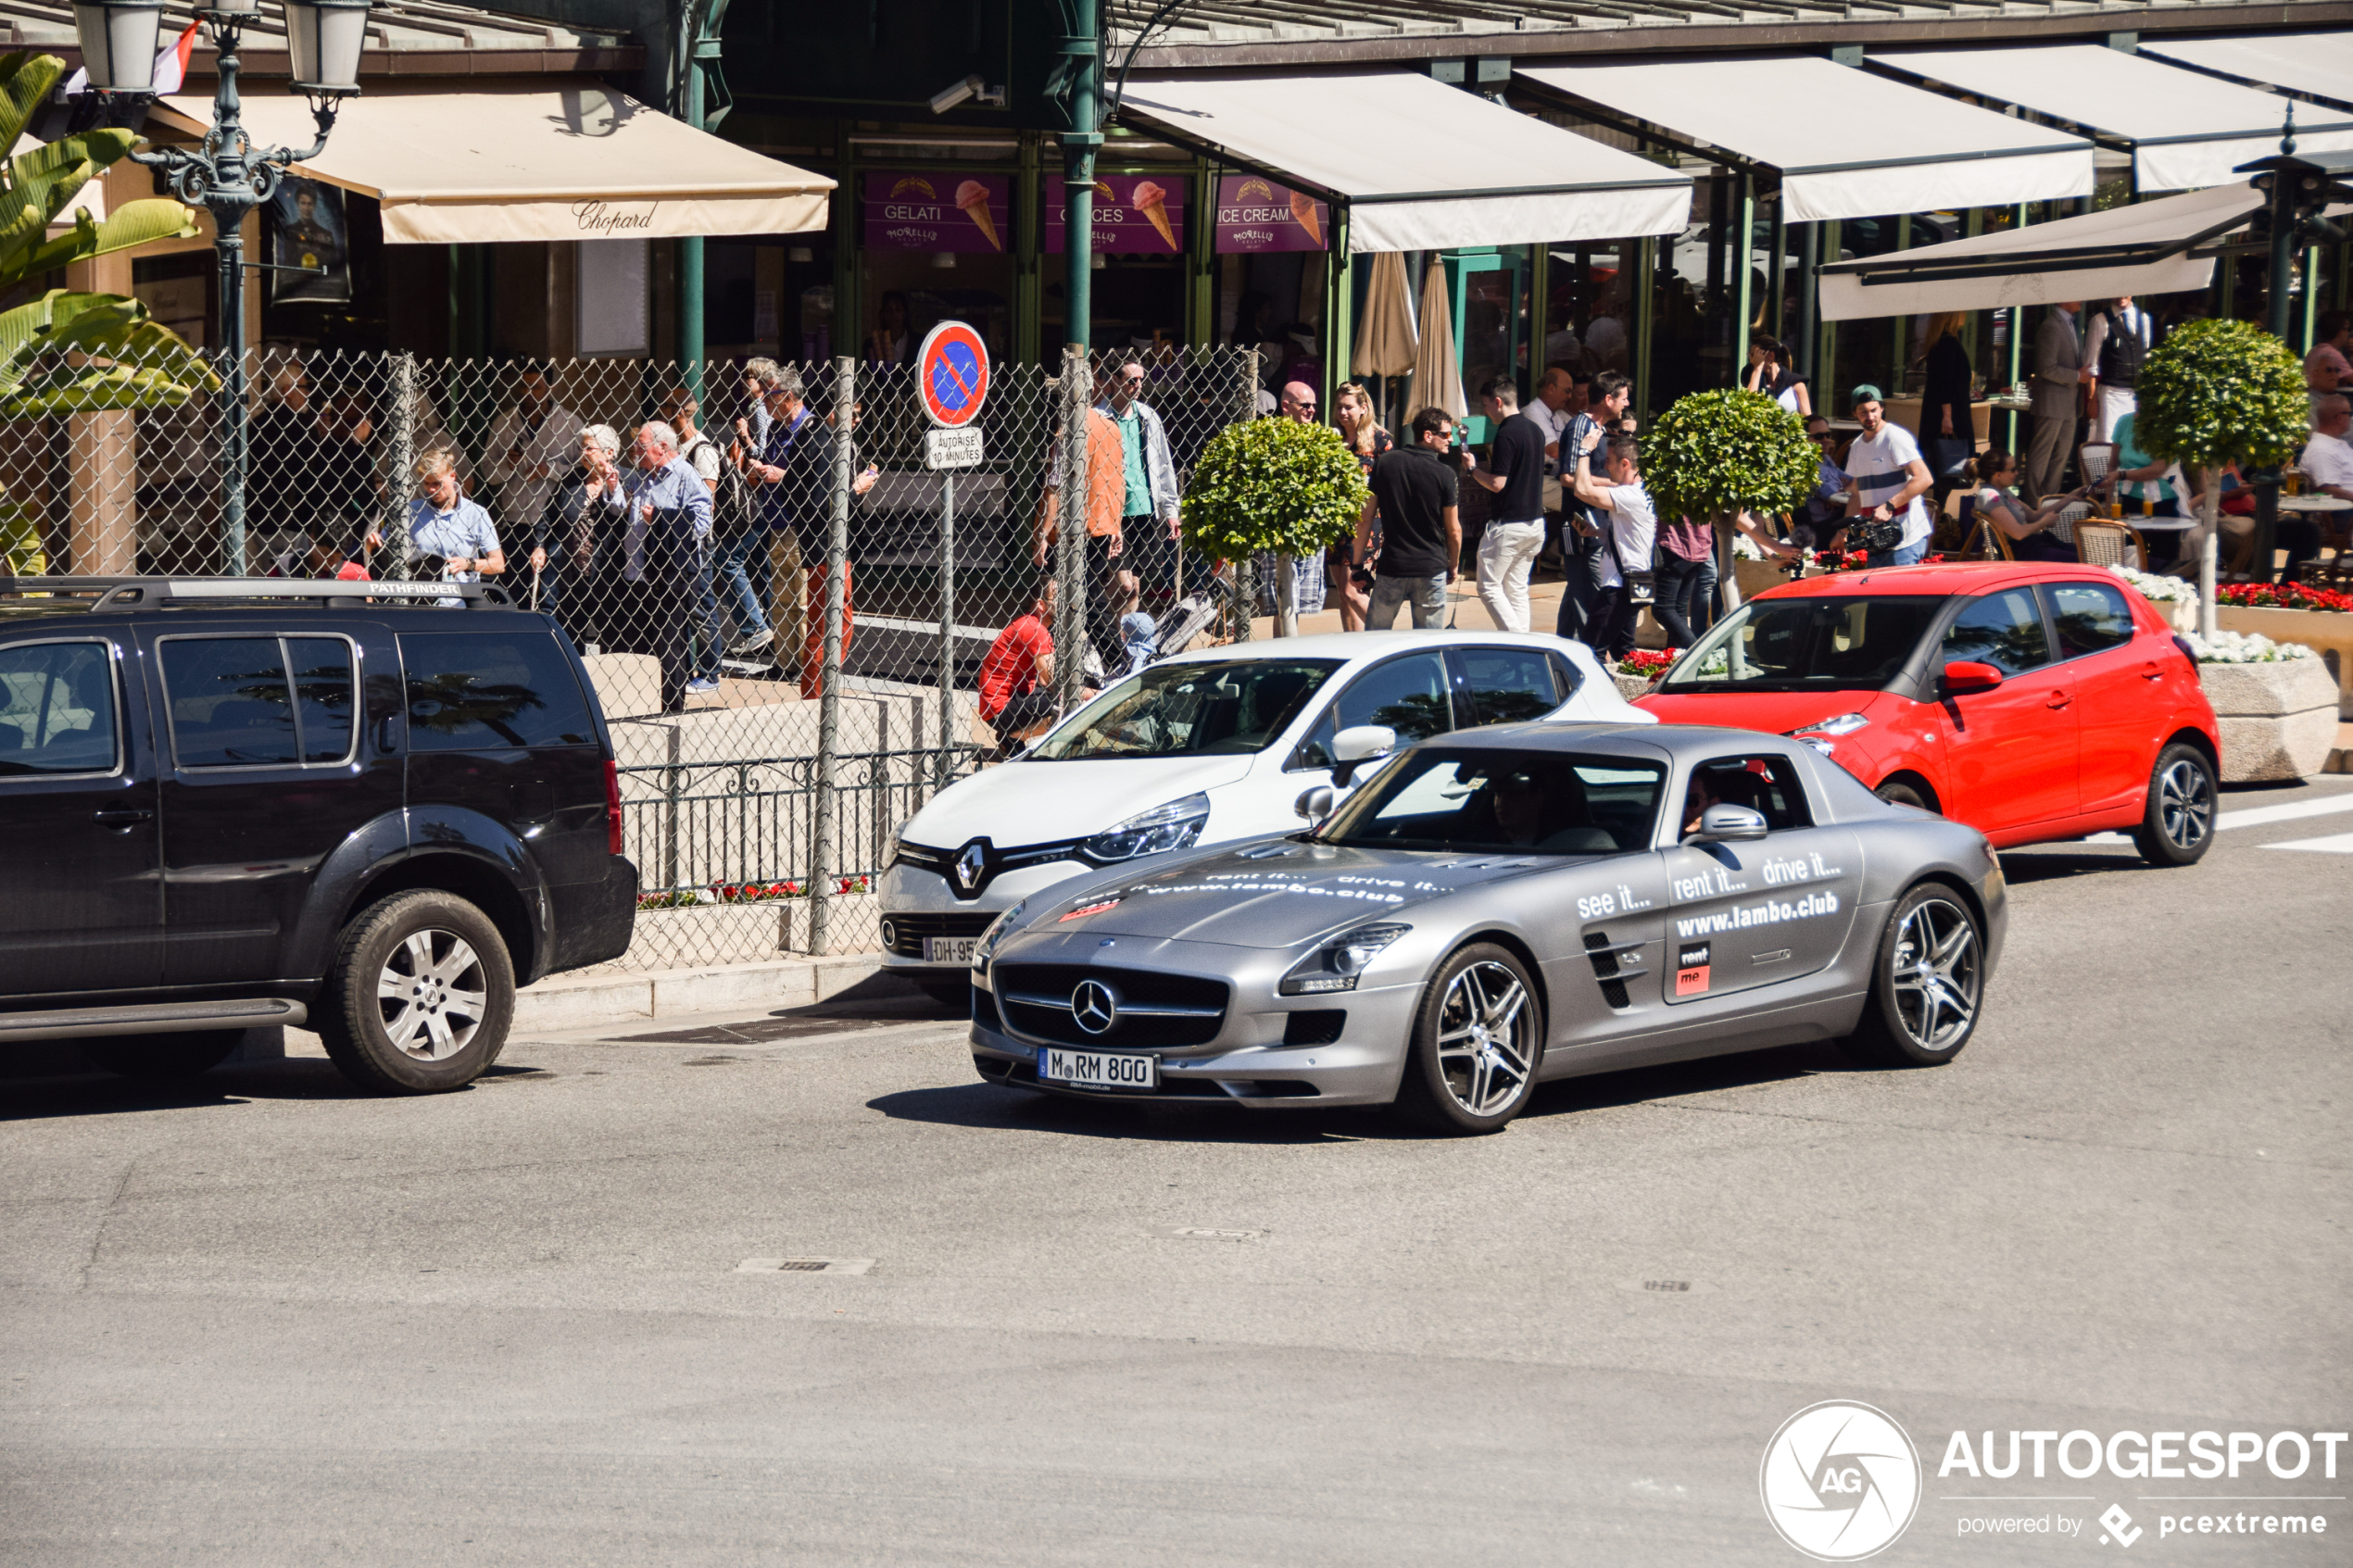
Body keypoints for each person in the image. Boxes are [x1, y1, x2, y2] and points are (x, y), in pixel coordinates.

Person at [587, 421, 713, 715]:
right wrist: (613, 486)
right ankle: (635, 704)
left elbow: (702, 523)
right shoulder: (642, 476)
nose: (634, 451)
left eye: (640, 446)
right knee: (634, 646)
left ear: (662, 447)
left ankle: (670, 709)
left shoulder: (685, 476)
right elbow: (620, 510)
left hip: (669, 578)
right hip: (634, 576)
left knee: (669, 648)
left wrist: (662, 518)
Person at [1033, 404, 1129, 678]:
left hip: (1072, 529)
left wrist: (1042, 534)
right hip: (1101, 522)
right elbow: (1118, 479)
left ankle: (1112, 658)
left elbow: (1055, 484)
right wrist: (1116, 524)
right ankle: (1100, 659)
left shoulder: (1069, 431)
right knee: (1085, 592)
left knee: (1074, 594)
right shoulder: (1111, 428)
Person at [1461, 375, 1549, 633]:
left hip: (1509, 525)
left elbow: (1498, 483)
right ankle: (1523, 647)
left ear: (1498, 402)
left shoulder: (1507, 433)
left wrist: (1472, 470)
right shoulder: (1535, 429)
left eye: (1486, 405)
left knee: (1488, 587)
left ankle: (1517, 641)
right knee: (1516, 588)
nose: (1486, 413)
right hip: (1535, 524)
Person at [363, 448, 502, 608]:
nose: (431, 490)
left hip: (461, 602)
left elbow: (498, 564)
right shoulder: (412, 511)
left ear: (452, 476)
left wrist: (468, 564)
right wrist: (373, 542)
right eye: (427, 483)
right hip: (419, 602)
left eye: (437, 483)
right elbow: (382, 547)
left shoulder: (475, 513)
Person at [1095, 360, 1182, 613]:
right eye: (1131, 380)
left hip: (1145, 511)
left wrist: (1171, 512)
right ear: (1115, 380)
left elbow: (1164, 465)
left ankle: (1123, 640)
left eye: (1141, 380)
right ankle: (1105, 630)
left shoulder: (1148, 416)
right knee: (1123, 585)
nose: (1138, 385)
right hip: (1115, 514)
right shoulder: (1100, 417)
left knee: (1135, 586)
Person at [1365, 406, 1462, 631]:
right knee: (1428, 645)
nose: (1451, 439)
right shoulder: (1445, 474)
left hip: (1393, 565)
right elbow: (1453, 530)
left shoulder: (1386, 463)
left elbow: (1365, 517)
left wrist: (1358, 562)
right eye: (1446, 434)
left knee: (1374, 638)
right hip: (1431, 567)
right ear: (1428, 435)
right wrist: (1454, 563)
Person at [1554, 370, 1630, 640]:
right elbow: (1568, 477)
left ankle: (1564, 649)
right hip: (1582, 525)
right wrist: (1615, 488)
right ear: (1608, 399)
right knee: (1589, 596)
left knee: (1578, 592)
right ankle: (1593, 654)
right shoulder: (1581, 427)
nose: (1627, 403)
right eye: (1624, 398)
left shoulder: (1599, 429)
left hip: (1596, 522)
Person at [1570, 435, 1655, 660]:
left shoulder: (1631, 495)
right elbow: (1629, 533)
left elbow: (1582, 490)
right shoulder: (1640, 492)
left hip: (1618, 587)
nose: (1605, 466)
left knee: (1590, 653)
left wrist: (1583, 452)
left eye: (1608, 460)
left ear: (1624, 463)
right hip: (1630, 584)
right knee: (1624, 652)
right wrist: (1596, 531)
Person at [1843, 385, 1934, 567]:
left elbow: (1924, 478)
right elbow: (1856, 495)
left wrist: (1888, 506)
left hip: (1905, 541)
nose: (1870, 417)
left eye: (1874, 410)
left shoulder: (1895, 437)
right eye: (1863, 412)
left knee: (1900, 595)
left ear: (1882, 408)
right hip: (1876, 543)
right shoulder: (1856, 447)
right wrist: (1843, 533)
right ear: (1854, 413)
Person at [1265, 381, 1326, 631]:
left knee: (1301, 604)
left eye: (1314, 405)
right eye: (1305, 405)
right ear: (1286, 406)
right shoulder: (1269, 439)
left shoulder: (1320, 440)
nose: (1311, 410)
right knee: (1282, 602)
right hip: (1278, 533)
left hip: (1310, 532)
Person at [977, 576, 1063, 750]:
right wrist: (1098, 693)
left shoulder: (1032, 624)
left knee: (1065, 697)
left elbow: (1045, 681)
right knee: (1066, 701)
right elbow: (1054, 683)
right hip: (1000, 708)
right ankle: (1012, 735)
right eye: (1057, 597)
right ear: (1041, 604)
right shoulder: (1035, 630)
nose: (1063, 602)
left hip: (1007, 700)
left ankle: (1012, 739)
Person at [1333, 382, 1391, 631]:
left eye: (1348, 407)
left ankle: (1386, 638)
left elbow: (1389, 485)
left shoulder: (1380, 439)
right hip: (1336, 524)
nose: (1342, 412)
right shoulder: (1333, 440)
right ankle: (1354, 646)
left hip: (1367, 524)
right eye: (1338, 407)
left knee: (1353, 590)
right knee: (1343, 596)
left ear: (1363, 408)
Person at [1969, 448, 2084, 562]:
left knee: (2087, 553)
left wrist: (2069, 498)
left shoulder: (2004, 491)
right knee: (2084, 559)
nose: (2017, 473)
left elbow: (2034, 515)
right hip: (2023, 552)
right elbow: (2018, 533)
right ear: (1998, 475)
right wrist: (2044, 522)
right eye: (2013, 470)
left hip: (2036, 544)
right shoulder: (1990, 497)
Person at [2027, 301, 2084, 503]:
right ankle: (2034, 504)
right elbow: (2047, 368)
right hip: (2051, 403)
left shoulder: (2070, 324)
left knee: (2061, 457)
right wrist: (2077, 377)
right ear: (2064, 299)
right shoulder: (2051, 326)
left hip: (2069, 404)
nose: (2082, 300)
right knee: (2041, 455)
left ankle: (2050, 502)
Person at [1916, 311, 1974, 503]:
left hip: (1944, 412)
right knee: (1947, 467)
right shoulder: (1947, 343)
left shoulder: (1938, 343)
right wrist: (1947, 416)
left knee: (1943, 467)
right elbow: (1944, 383)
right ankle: (1938, 517)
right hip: (1950, 414)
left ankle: (1938, 516)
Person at [2082, 295, 2152, 445]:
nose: (2121, 296)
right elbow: (2091, 364)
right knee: (2109, 441)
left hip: (2136, 395)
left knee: (2133, 442)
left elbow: (2144, 353)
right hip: (2111, 394)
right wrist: (2092, 399)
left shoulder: (2144, 319)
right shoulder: (2100, 320)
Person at [2305, 312, 2351, 425]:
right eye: (2348, 329)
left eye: (2337, 371)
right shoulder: (2332, 353)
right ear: (2340, 331)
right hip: (2316, 401)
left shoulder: (2315, 349)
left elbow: (2344, 380)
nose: (2349, 333)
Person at [865, 291, 912, 367]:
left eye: (898, 310)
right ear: (883, 314)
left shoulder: (918, 342)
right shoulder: (871, 344)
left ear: (905, 314)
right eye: (889, 310)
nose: (894, 315)